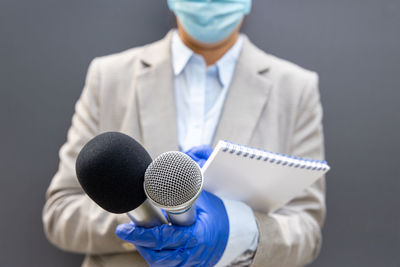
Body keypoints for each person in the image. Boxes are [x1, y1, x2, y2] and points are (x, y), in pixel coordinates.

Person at [42, 0, 326, 266]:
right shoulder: (109, 77)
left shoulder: (296, 89)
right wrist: (150, 223)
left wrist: (235, 231)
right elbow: (61, 213)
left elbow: (306, 230)